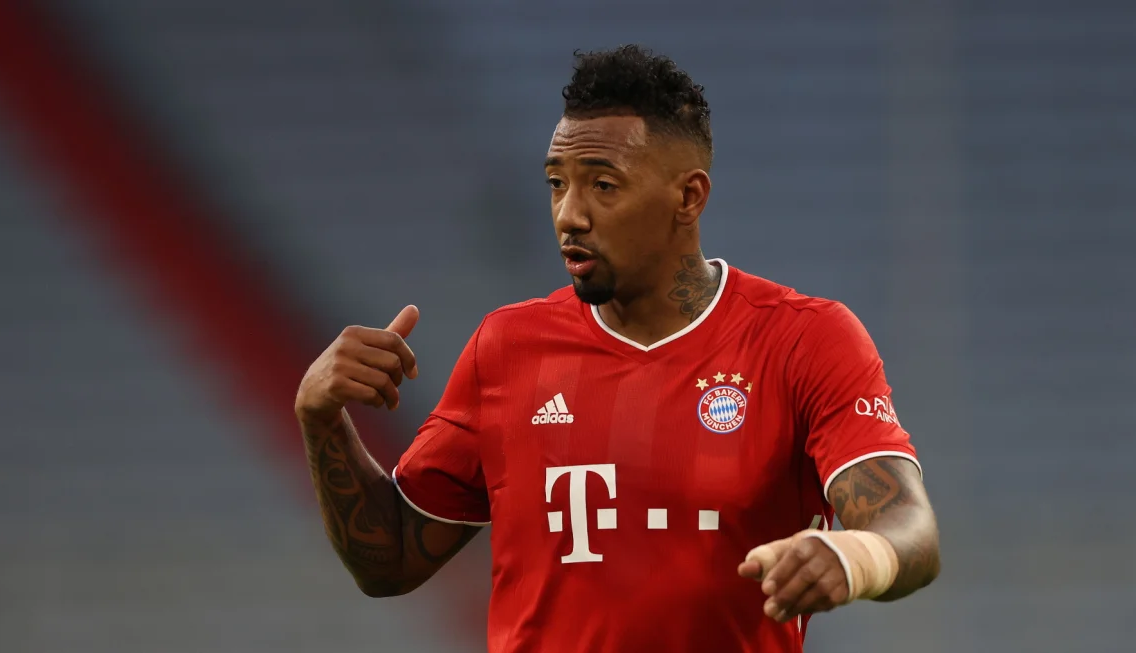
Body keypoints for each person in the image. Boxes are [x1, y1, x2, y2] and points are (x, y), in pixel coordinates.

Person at [294, 44, 940, 653]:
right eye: (555, 183)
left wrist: (852, 557)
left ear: (688, 197)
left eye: (602, 185)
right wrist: (320, 419)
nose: (569, 214)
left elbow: (908, 526)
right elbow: (392, 557)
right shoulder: (507, 348)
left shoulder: (801, 340)